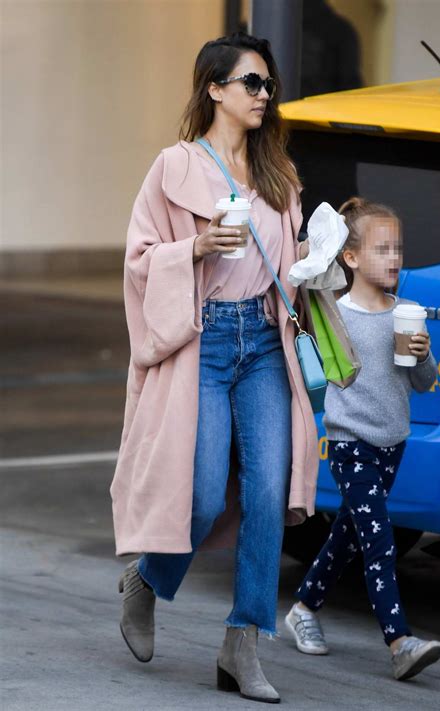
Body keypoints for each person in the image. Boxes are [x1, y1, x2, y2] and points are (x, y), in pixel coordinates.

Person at [111, 32, 318, 704]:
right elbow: (140, 260)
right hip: (205, 341)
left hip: (263, 340)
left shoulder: (279, 175)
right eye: (252, 83)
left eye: (267, 85)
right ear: (215, 89)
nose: (264, 95)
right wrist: (195, 246)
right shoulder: (174, 167)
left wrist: (315, 259)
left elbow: (288, 271)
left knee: (266, 495)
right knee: (197, 493)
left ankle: (242, 642)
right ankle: (147, 580)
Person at [285, 197, 440, 681]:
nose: (394, 258)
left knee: (348, 537)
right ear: (351, 258)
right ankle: (400, 642)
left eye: (398, 249)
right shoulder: (337, 315)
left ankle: (303, 608)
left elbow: (424, 383)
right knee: (379, 542)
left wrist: (421, 356)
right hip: (351, 444)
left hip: (393, 442)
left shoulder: (408, 312)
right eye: (382, 249)